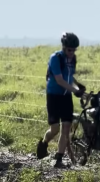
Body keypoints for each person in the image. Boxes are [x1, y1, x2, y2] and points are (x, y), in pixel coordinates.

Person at [36, 32, 87, 169]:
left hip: (66, 97)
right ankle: (44, 143)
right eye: (70, 50)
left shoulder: (72, 59)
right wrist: (75, 90)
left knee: (66, 128)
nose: (72, 52)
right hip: (53, 95)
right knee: (55, 129)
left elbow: (69, 76)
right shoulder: (56, 58)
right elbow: (59, 80)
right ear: (64, 47)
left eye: (74, 50)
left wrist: (78, 85)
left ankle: (58, 159)